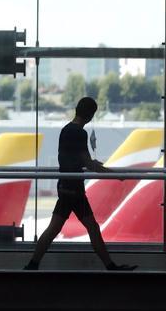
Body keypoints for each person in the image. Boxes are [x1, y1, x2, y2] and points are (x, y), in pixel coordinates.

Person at [23, 97, 136, 271]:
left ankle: (32, 265)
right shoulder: (79, 133)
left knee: (56, 228)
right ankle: (110, 266)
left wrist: (91, 163)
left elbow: (73, 158)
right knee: (90, 227)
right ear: (91, 116)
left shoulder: (66, 130)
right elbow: (88, 163)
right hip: (74, 189)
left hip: (65, 186)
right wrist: (115, 174)